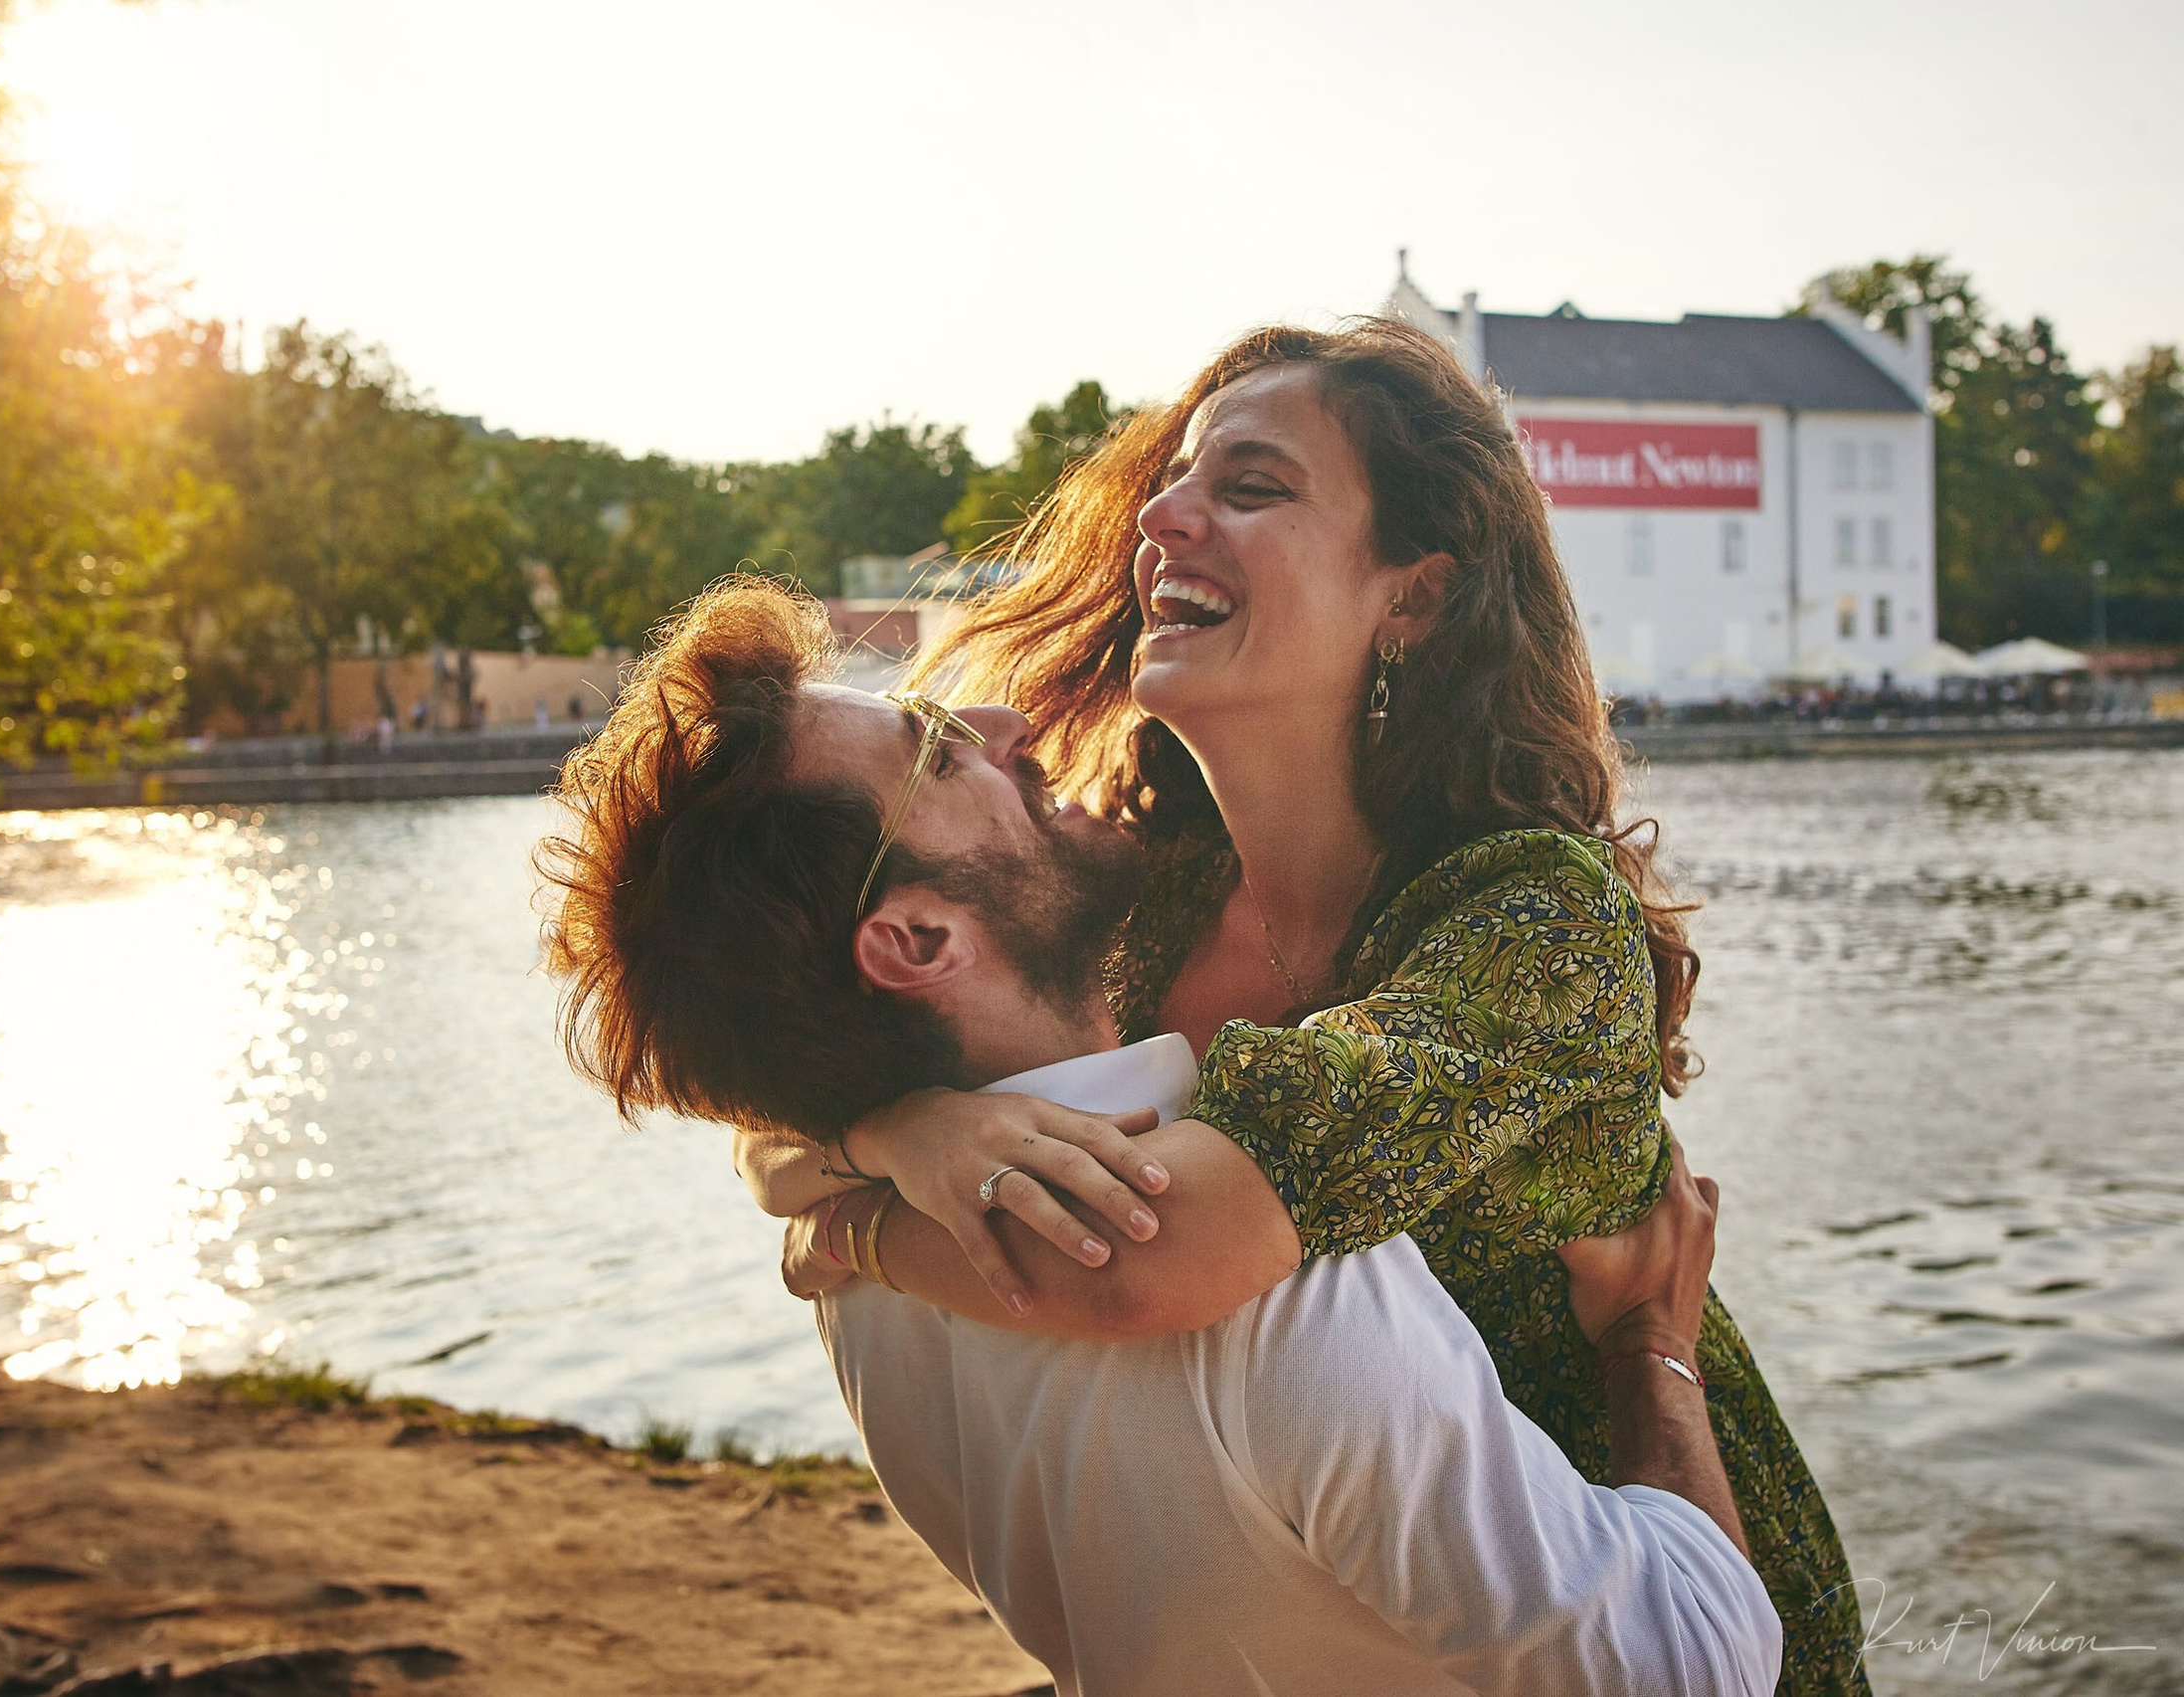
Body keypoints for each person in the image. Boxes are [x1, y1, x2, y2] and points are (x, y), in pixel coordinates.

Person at [732, 322, 1865, 1696]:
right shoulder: (1139, 904)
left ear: (1415, 597)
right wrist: (909, 1134)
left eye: (1253, 487)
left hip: (1675, 1594)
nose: (1160, 514)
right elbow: (778, 1095)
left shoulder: (1528, 917)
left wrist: (855, 1224)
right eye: (1177, 481)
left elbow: (1160, 1250)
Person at [537, 578, 1781, 1696]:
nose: (1005, 725)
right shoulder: (1246, 1258)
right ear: (917, 941)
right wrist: (1648, 1350)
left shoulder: (853, 1265)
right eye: (937, 750)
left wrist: (886, 1133)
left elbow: (776, 1150)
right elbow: (1693, 1664)